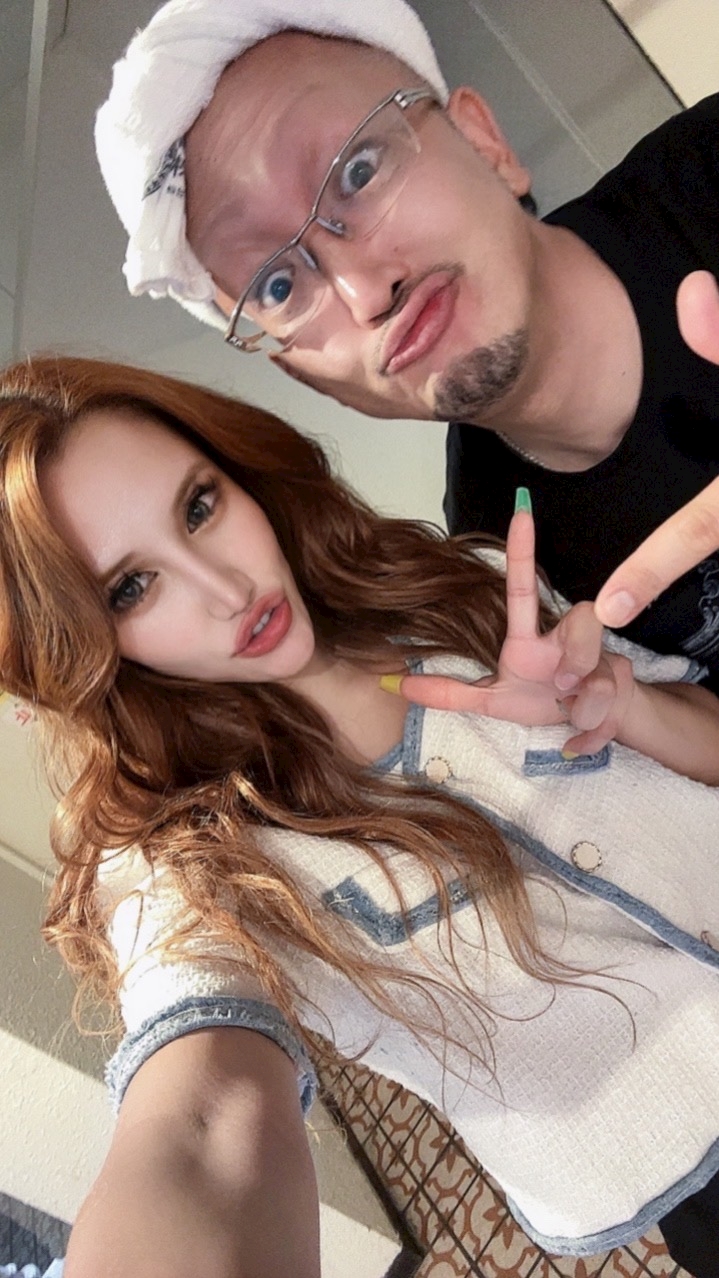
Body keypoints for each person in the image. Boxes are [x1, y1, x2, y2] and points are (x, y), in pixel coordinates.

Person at [2, 356, 719, 1278]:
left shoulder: (463, 589)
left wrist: (620, 707)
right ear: (82, 648)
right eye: (131, 589)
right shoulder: (191, 860)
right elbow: (202, 1117)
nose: (225, 589)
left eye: (198, 507)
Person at [93, 0, 719, 688]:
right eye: (278, 285)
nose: (367, 291)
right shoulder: (505, 568)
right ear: (305, 376)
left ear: (483, 141)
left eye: (358, 172)